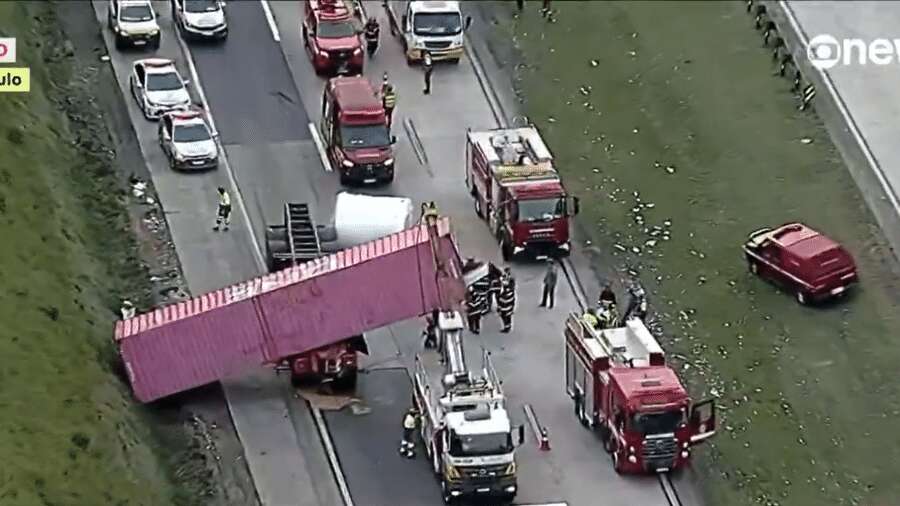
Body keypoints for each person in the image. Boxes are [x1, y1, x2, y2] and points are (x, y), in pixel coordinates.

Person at [496, 267, 516, 332]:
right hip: (508, 305)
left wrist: (499, 307)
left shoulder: (504, 292)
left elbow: (501, 300)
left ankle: (507, 327)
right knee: (508, 316)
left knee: (505, 316)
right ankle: (508, 326)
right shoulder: (509, 280)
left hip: (505, 307)